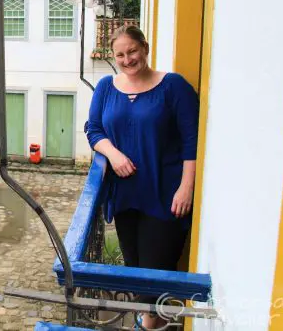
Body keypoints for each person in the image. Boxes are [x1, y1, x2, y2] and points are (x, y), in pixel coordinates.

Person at [85, 25, 199, 329]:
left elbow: (192, 140)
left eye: (132, 51)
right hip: (125, 196)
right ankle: (149, 320)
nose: (127, 59)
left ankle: (149, 324)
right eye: (120, 54)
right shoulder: (106, 87)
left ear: (145, 48)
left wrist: (187, 186)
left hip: (165, 196)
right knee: (134, 269)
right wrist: (113, 154)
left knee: (156, 273)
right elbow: (93, 129)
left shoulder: (173, 87)